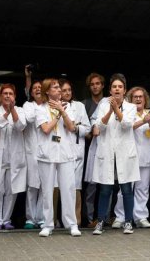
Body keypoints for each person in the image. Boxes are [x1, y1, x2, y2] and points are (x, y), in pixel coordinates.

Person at [92, 73, 139, 235]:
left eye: (120, 87)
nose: (117, 89)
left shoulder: (132, 107)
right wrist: (110, 110)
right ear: (110, 90)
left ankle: (128, 221)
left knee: (126, 189)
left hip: (125, 154)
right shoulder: (103, 105)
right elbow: (100, 127)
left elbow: (127, 125)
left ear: (124, 90)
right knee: (105, 189)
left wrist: (117, 109)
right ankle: (100, 221)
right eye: (114, 87)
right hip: (107, 152)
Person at [34, 78, 80, 237]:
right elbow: (46, 129)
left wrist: (62, 110)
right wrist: (58, 115)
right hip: (46, 153)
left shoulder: (68, 107)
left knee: (68, 188)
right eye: (55, 88)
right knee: (47, 190)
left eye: (59, 87)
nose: (59, 90)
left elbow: (72, 127)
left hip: (66, 152)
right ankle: (47, 224)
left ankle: (72, 224)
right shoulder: (40, 109)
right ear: (47, 91)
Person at [112, 86, 150, 229]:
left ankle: (140, 216)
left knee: (142, 188)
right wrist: (144, 121)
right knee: (125, 189)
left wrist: (149, 121)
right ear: (130, 100)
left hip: (145, 157)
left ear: (145, 100)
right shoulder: (127, 112)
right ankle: (120, 217)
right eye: (135, 97)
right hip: (129, 156)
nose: (138, 99)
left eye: (141, 97)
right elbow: (127, 126)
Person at [0, 84, 27, 231]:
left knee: (11, 190)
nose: (8, 96)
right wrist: (6, 113)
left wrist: (12, 110)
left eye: (10, 93)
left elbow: (20, 126)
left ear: (14, 96)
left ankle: (7, 219)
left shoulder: (20, 110)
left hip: (15, 158)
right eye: (5, 93)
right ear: (1, 96)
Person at [60, 78, 91, 226]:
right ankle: (59, 220)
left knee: (76, 186)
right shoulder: (55, 106)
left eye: (69, 90)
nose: (67, 93)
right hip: (60, 149)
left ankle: (76, 220)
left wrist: (76, 127)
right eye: (63, 90)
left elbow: (87, 128)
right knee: (61, 186)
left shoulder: (79, 106)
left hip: (77, 150)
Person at [82, 72, 105, 227]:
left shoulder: (109, 102)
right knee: (91, 186)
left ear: (103, 85)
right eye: (92, 84)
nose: (95, 86)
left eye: (98, 83)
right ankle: (90, 219)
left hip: (107, 148)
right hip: (90, 149)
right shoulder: (85, 104)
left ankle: (105, 217)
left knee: (106, 185)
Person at [23, 80, 45, 229]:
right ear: (31, 93)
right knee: (32, 186)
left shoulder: (49, 105)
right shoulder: (27, 105)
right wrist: (41, 113)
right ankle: (30, 218)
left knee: (45, 185)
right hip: (31, 150)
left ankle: (41, 217)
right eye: (35, 88)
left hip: (46, 150)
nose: (37, 90)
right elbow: (29, 118)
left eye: (40, 88)